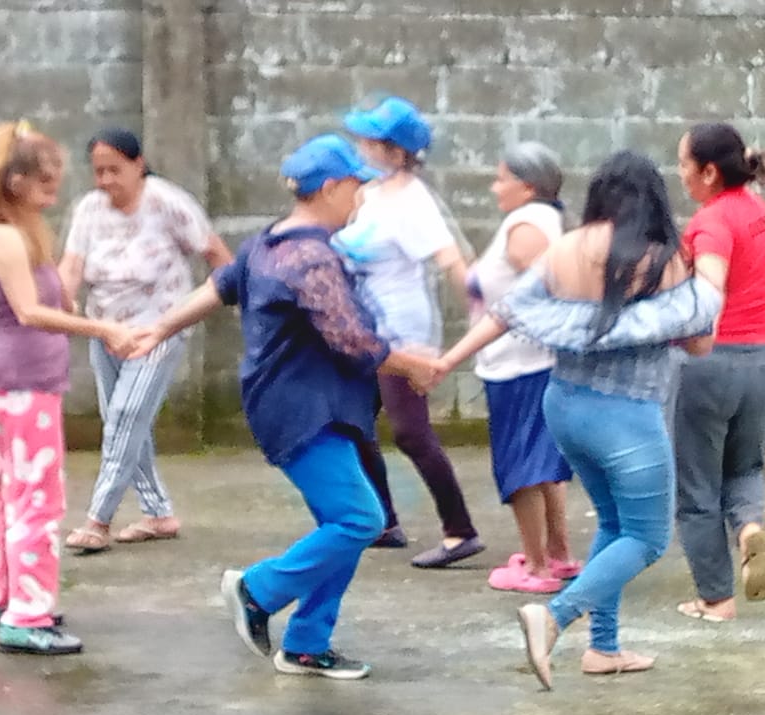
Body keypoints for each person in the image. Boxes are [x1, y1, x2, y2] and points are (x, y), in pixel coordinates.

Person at [130, 134, 437, 679]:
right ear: (333, 187)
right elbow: (352, 340)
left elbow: (217, 288)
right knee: (360, 520)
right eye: (357, 187)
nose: (360, 199)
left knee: (339, 526)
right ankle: (257, 589)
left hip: (301, 405)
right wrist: (411, 365)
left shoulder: (267, 242)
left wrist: (159, 327)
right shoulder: (310, 257)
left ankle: (306, 644)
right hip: (306, 411)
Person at [428, 151, 724, 689]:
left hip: (563, 405)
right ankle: (554, 617)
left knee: (613, 523)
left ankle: (603, 648)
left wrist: (449, 360)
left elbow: (506, 311)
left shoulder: (565, 248)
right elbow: (700, 342)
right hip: (627, 417)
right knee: (648, 538)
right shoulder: (664, 258)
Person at [0, 121, 138, 654]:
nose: (55, 190)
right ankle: (29, 615)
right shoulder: (5, 237)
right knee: (37, 497)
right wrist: (103, 330)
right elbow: (30, 312)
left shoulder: (15, 233)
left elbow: (49, 300)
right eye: (46, 180)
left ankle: (3, 594)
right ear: (16, 182)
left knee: (12, 489)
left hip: (14, 380)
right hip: (20, 381)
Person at [58, 128, 233, 553]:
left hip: (159, 328)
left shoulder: (167, 202)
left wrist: (242, 300)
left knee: (125, 416)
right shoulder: (89, 209)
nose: (106, 180)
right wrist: (60, 307)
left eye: (114, 170)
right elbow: (72, 267)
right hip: (105, 330)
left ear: (138, 164)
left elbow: (217, 255)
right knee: (121, 422)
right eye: (98, 171)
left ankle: (98, 519)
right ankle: (158, 512)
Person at [335, 95, 483, 568]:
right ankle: (381, 522)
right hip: (366, 326)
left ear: (397, 152)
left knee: (410, 432)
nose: (361, 146)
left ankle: (460, 531)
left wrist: (483, 316)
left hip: (402, 328)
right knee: (352, 423)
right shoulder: (372, 193)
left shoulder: (413, 202)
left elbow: (450, 260)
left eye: (371, 140)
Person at [673, 123, 765, 623]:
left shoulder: (712, 222)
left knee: (697, 486)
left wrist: (695, 334)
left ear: (710, 172)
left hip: (712, 365)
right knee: (745, 468)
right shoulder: (755, 208)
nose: (680, 175)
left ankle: (715, 599)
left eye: (684, 165)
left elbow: (710, 288)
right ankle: (749, 531)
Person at [468, 142, 579, 594]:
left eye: (502, 179)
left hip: (520, 364)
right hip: (530, 361)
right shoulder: (543, 218)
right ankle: (557, 553)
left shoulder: (526, 225)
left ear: (527, 186)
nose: (495, 188)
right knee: (543, 460)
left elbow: (546, 287)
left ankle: (535, 566)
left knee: (521, 464)